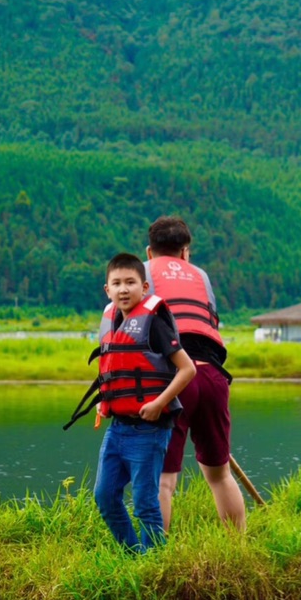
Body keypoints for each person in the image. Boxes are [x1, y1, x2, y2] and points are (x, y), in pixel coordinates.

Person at [144, 216, 247, 532]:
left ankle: (154, 557)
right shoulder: (201, 276)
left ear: (150, 252)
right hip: (213, 378)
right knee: (220, 475)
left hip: (174, 380)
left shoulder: (140, 273)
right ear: (185, 252)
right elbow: (210, 322)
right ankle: (238, 549)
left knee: (163, 481)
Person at [90, 252, 196, 552]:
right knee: (105, 496)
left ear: (145, 287)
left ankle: (154, 564)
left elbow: (188, 369)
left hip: (151, 428)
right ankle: (135, 556)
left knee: (146, 502)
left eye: (130, 282)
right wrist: (105, 400)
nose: (124, 289)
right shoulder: (111, 320)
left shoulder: (154, 323)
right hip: (118, 427)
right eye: (117, 283)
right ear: (107, 290)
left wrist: (159, 402)